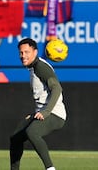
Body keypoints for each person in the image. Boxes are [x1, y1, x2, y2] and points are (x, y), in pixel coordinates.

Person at [10, 38, 67, 170]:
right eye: (21, 53)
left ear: (35, 52)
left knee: (32, 132)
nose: (23, 56)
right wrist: (35, 114)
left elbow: (57, 88)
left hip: (55, 114)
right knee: (15, 138)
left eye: (27, 52)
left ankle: (50, 168)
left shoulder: (40, 66)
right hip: (43, 112)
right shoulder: (33, 67)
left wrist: (45, 112)